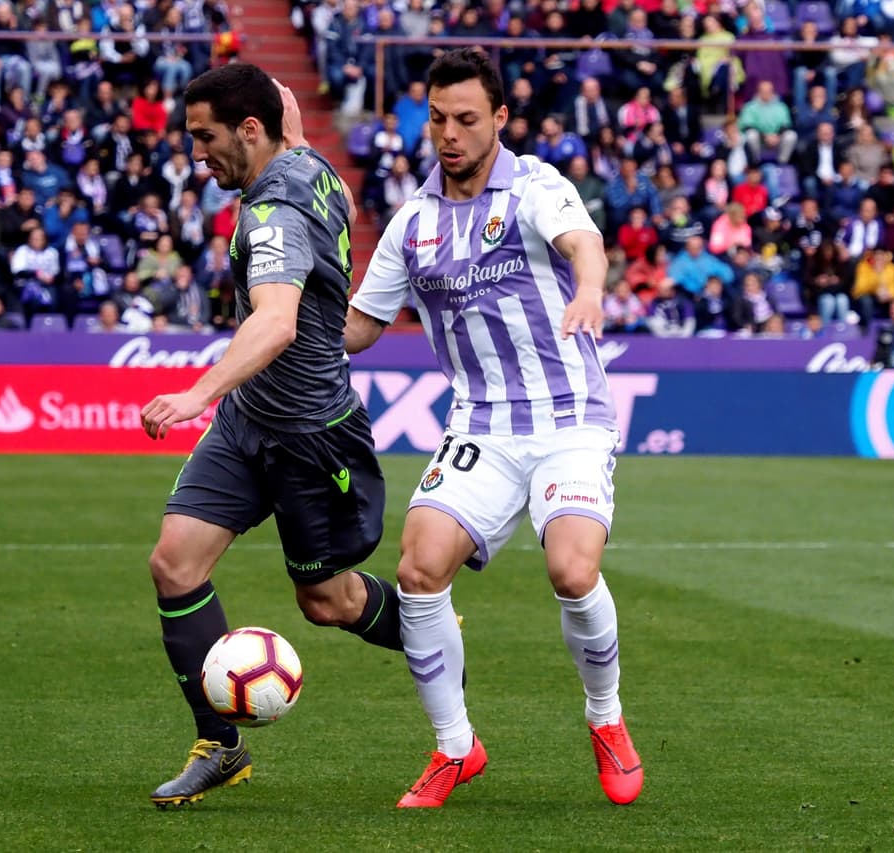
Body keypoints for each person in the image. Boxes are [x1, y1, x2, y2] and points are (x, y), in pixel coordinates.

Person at [340, 49, 642, 809]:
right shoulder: (413, 223)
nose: (449, 134)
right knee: (417, 568)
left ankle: (605, 717)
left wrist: (591, 290)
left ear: (499, 119)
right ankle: (454, 747)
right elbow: (361, 325)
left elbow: (584, 245)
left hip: (568, 414)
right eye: (438, 119)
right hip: (482, 423)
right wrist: (285, 319)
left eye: (467, 119)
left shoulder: (537, 185)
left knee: (572, 572)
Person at [136, 64, 399, 809]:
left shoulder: (275, 212)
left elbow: (276, 321)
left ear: (250, 131)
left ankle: (431, 639)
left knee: (327, 601)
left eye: (205, 138)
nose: (197, 155)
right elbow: (294, 126)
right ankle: (220, 744)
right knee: (174, 565)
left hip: (313, 434)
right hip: (252, 421)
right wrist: (281, 106)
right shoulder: (304, 157)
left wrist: (195, 394)